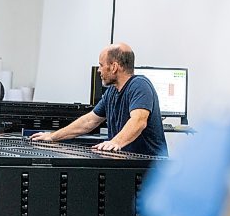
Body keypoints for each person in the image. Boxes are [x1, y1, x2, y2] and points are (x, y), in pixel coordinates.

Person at [30, 42, 168, 157]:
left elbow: (138, 120)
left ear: (114, 67)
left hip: (151, 171)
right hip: (127, 165)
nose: (98, 70)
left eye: (101, 65)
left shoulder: (139, 85)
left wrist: (115, 142)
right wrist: (52, 136)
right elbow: (89, 121)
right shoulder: (111, 93)